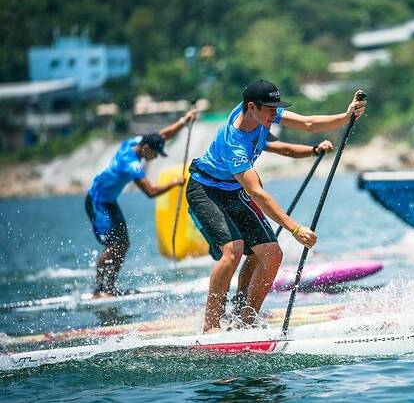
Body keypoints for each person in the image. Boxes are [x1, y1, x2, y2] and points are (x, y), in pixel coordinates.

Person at [186, 79, 365, 333]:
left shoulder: (261, 115)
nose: (275, 113)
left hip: (233, 190)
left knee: (271, 253)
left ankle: (245, 320)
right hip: (205, 189)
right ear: (251, 107)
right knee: (233, 250)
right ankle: (211, 326)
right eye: (269, 109)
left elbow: (308, 124)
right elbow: (257, 192)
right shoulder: (233, 143)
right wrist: (294, 229)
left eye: (275, 108)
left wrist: (346, 117)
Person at [86, 109, 197, 297]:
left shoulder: (137, 142)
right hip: (97, 202)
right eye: (155, 153)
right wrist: (175, 182)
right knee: (114, 245)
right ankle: (98, 289)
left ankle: (110, 287)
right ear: (146, 148)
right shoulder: (131, 164)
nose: (155, 157)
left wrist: (184, 121)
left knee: (124, 244)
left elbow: (162, 135)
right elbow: (151, 192)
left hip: (109, 202)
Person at [228, 135, 335, 323]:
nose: (273, 117)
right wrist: (295, 229)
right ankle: (237, 315)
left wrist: (314, 149)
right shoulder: (243, 130)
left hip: (242, 194)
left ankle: (243, 310)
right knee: (243, 251)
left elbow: (286, 144)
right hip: (220, 194)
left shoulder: (263, 126)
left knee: (259, 251)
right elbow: (305, 126)